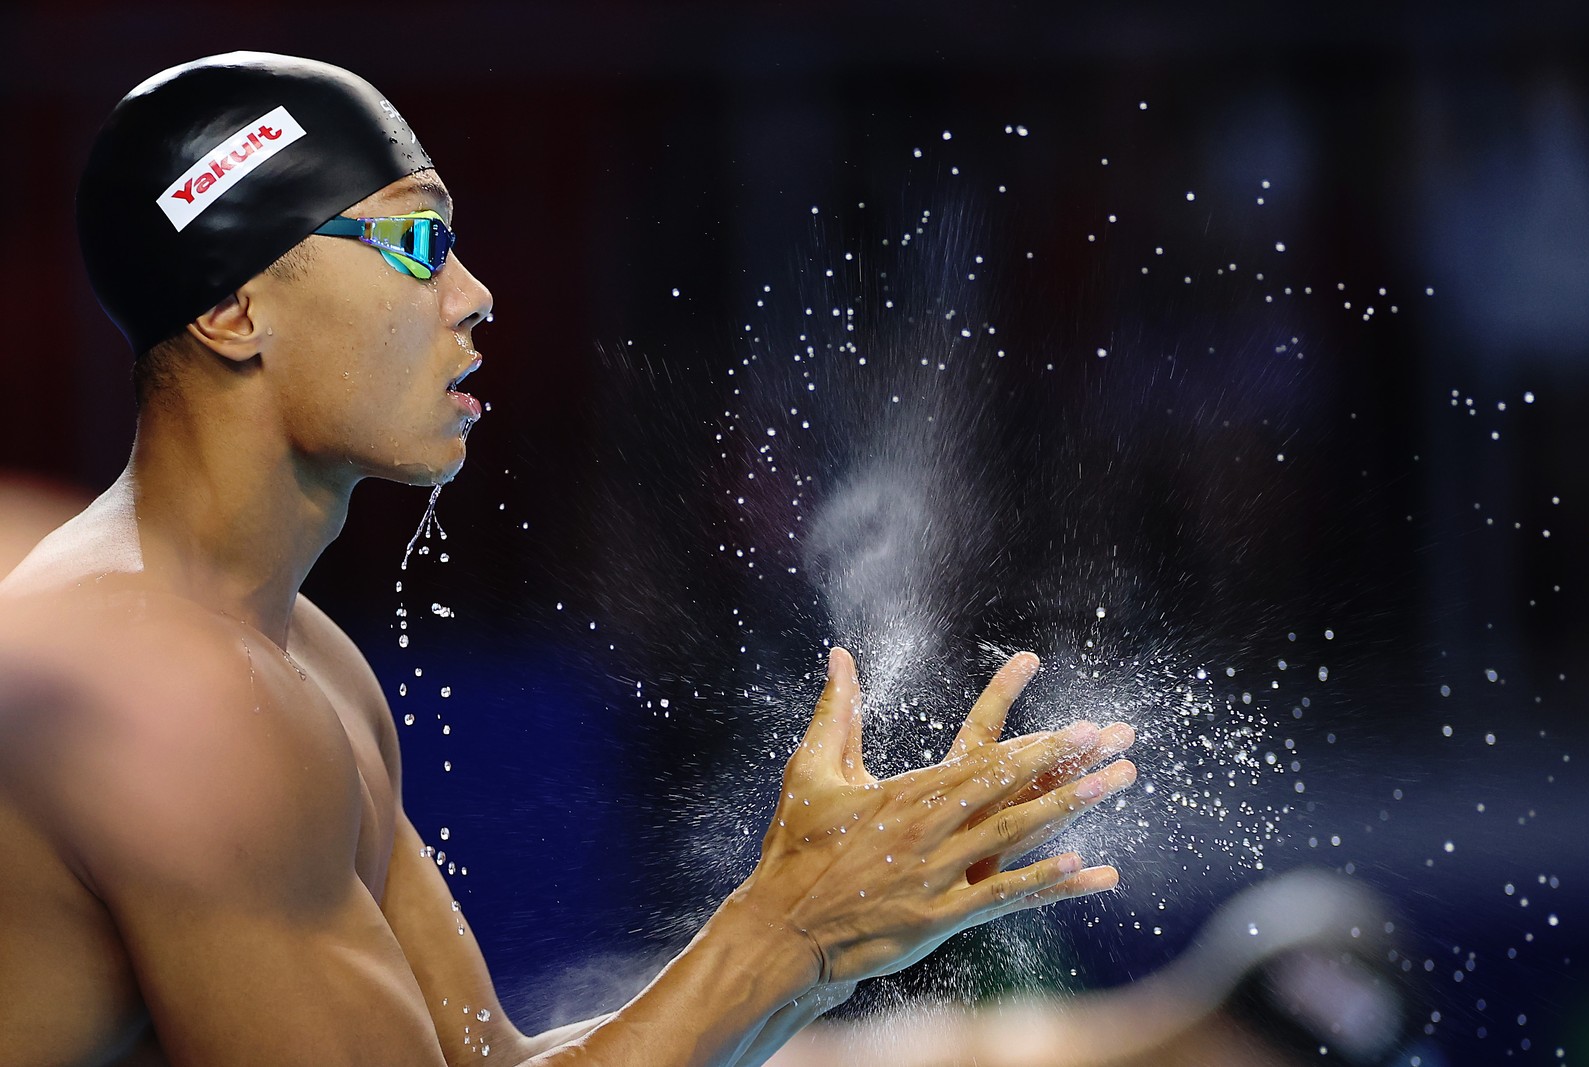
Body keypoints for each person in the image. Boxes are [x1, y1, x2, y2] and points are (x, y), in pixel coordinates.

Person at [0, 52, 1137, 1066]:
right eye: (416, 242)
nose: (474, 293)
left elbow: (489, 1062)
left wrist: (823, 934)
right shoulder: (168, 688)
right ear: (235, 309)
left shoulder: (303, 659)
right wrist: (790, 929)